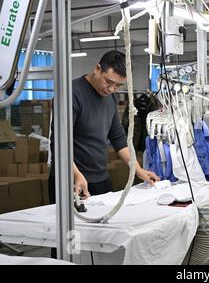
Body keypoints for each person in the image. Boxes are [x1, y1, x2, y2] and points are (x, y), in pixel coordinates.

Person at [49, 50, 160, 203]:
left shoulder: (110, 97)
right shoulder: (70, 94)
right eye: (108, 82)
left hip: (100, 179)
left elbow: (117, 137)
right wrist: (76, 175)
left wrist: (138, 170)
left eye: (118, 85)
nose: (111, 89)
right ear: (97, 69)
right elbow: (59, 144)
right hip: (70, 180)